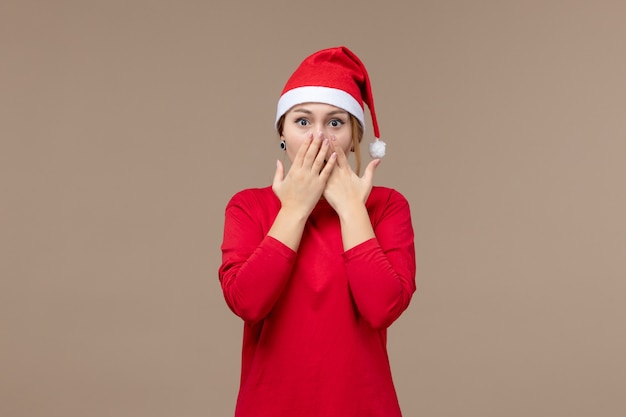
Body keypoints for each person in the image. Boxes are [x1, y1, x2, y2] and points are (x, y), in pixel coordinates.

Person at [218, 46, 417, 417]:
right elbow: (247, 303)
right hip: (270, 406)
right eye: (303, 121)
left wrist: (351, 208)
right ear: (282, 131)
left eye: (336, 123)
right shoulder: (248, 207)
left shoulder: (387, 206)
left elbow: (382, 308)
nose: (318, 138)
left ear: (355, 135)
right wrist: (294, 208)